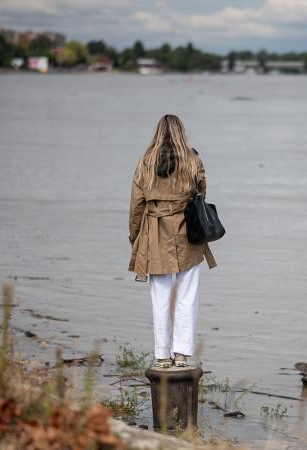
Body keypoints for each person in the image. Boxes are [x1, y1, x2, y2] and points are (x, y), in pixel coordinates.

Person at [128, 114, 217, 369]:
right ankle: (182, 354)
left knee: (160, 296)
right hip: (187, 233)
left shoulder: (144, 161)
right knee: (187, 295)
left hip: (155, 233)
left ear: (157, 132)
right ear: (181, 132)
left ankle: (161, 355)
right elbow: (202, 192)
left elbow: (136, 205)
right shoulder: (193, 159)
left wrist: (135, 238)